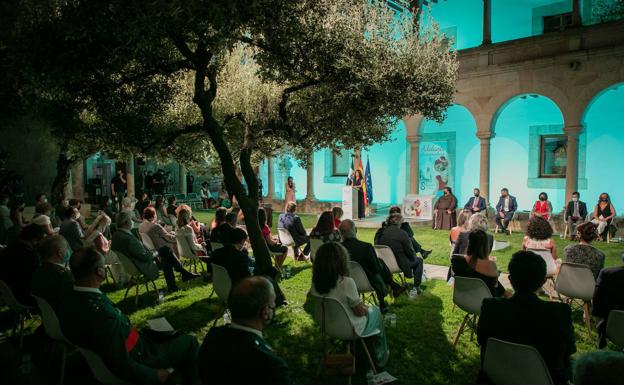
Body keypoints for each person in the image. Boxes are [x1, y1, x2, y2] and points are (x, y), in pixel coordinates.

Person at [58, 247, 200, 385]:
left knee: (165, 333)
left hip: (132, 341)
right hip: (142, 355)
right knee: (190, 343)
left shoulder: (73, 298)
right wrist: (154, 375)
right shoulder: (101, 313)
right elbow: (121, 363)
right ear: (100, 271)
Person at [477, 251, 576, 385]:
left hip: (497, 375)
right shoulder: (559, 313)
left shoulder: (491, 307)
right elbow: (569, 349)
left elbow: (482, 341)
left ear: (510, 280)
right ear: (543, 281)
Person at [198, 276, 290, 385]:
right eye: (273, 302)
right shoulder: (272, 365)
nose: (274, 306)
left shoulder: (212, 337)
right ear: (265, 313)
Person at [309, 242, 389, 368]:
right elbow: (359, 312)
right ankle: (381, 356)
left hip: (327, 326)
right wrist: (367, 309)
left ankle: (364, 349)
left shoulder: (315, 283)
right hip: (351, 329)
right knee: (376, 311)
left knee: (370, 311)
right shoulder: (346, 283)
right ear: (341, 261)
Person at [340, 219, 405, 312]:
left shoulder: (337, 248)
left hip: (345, 283)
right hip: (368, 283)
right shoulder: (366, 247)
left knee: (378, 263)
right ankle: (388, 294)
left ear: (340, 233)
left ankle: (394, 287)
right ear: (356, 230)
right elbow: (376, 269)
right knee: (379, 265)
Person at [134, 208, 198, 291]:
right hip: (161, 249)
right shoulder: (155, 226)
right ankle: (182, 271)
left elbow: (162, 235)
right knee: (172, 246)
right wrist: (177, 235)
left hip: (153, 250)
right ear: (154, 216)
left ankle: (174, 284)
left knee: (167, 262)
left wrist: (168, 233)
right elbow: (168, 238)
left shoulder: (141, 226)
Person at [375, 213, 424, 293]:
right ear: (400, 223)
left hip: (383, 265)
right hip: (399, 264)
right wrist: (413, 256)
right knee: (419, 260)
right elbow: (409, 252)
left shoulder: (379, 233)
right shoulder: (402, 233)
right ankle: (416, 287)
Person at [451, 230, 507, 297]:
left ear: (469, 242)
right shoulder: (491, 265)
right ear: (485, 246)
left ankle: (506, 293)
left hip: (462, 297)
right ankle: (507, 294)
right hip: (485, 301)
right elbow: (495, 285)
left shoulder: (456, 260)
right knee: (499, 288)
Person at [0, 224, 46, 306]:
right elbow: (38, 280)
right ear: (34, 240)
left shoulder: (9, 247)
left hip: (8, 292)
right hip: (24, 296)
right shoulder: (30, 256)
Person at [31, 235, 74, 311]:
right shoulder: (64, 276)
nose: (68, 250)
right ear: (60, 253)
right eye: (66, 247)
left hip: (48, 316)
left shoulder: (38, 271)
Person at [592, 253, 624, 348]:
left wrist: (597, 315)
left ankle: (601, 335)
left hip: (610, 319)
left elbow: (597, 297)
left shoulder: (607, 273)